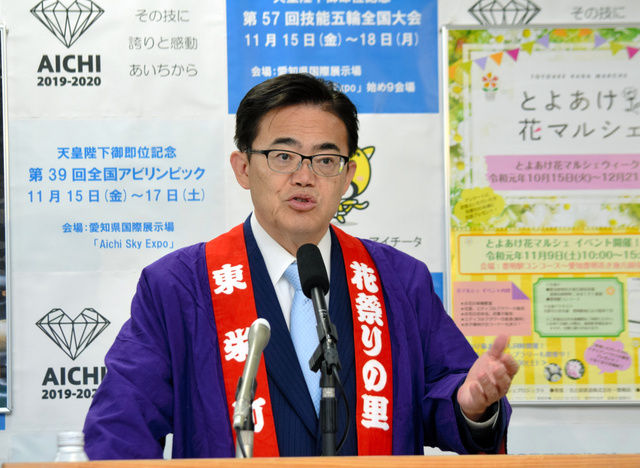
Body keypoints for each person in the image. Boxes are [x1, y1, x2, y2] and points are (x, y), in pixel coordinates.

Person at [83, 73, 518, 459]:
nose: (304, 177)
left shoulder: (399, 281)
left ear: (347, 176)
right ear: (243, 168)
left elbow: (449, 392)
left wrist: (471, 405)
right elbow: (121, 425)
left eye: (325, 160)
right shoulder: (178, 286)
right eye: (283, 156)